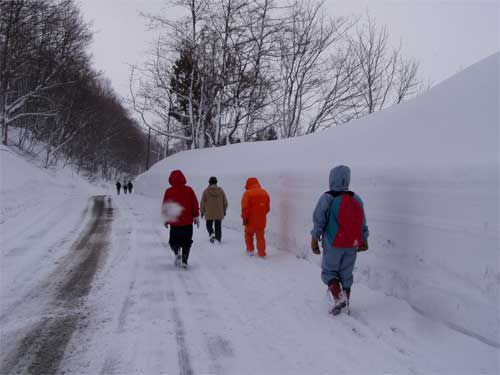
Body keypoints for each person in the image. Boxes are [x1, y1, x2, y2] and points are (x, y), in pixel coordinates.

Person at [310, 165, 369, 315]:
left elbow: (319, 219)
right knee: (346, 274)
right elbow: (362, 221)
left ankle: (338, 299)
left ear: (331, 179)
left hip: (333, 243)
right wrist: (364, 239)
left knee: (329, 272)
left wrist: (315, 238)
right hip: (352, 244)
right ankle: (346, 302)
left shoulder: (327, 197)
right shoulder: (356, 198)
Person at [162, 170, 200, 268]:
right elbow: (194, 203)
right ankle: (184, 261)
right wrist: (196, 215)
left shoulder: (169, 191)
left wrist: (166, 219)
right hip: (187, 223)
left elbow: (166, 206)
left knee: (173, 241)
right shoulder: (189, 190)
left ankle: (176, 251)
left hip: (175, 223)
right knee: (187, 242)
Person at [241, 177, 270, 257]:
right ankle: (262, 253)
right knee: (260, 237)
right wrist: (261, 215)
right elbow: (267, 208)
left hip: (250, 221)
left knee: (248, 235)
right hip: (261, 221)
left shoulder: (247, 194)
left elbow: (244, 208)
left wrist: (244, 219)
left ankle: (250, 250)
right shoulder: (265, 193)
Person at [200, 176, 228, 243]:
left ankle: (211, 233)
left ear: (209, 182)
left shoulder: (206, 191)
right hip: (219, 212)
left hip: (209, 213)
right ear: (216, 182)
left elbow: (202, 202)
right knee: (218, 226)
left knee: (208, 225)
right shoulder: (221, 191)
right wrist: (224, 210)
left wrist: (202, 211)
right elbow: (225, 202)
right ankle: (218, 238)